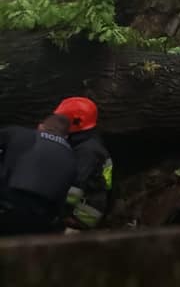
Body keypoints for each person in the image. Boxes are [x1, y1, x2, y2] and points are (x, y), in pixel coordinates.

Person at [0, 114, 78, 236]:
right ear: (66, 137)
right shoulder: (72, 158)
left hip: (7, 205)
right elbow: (64, 197)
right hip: (41, 220)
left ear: (40, 126)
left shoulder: (16, 133)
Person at [53, 97, 113, 230]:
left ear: (77, 122)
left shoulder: (87, 151)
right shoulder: (86, 140)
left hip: (84, 212)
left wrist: (59, 213)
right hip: (89, 203)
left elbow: (76, 186)